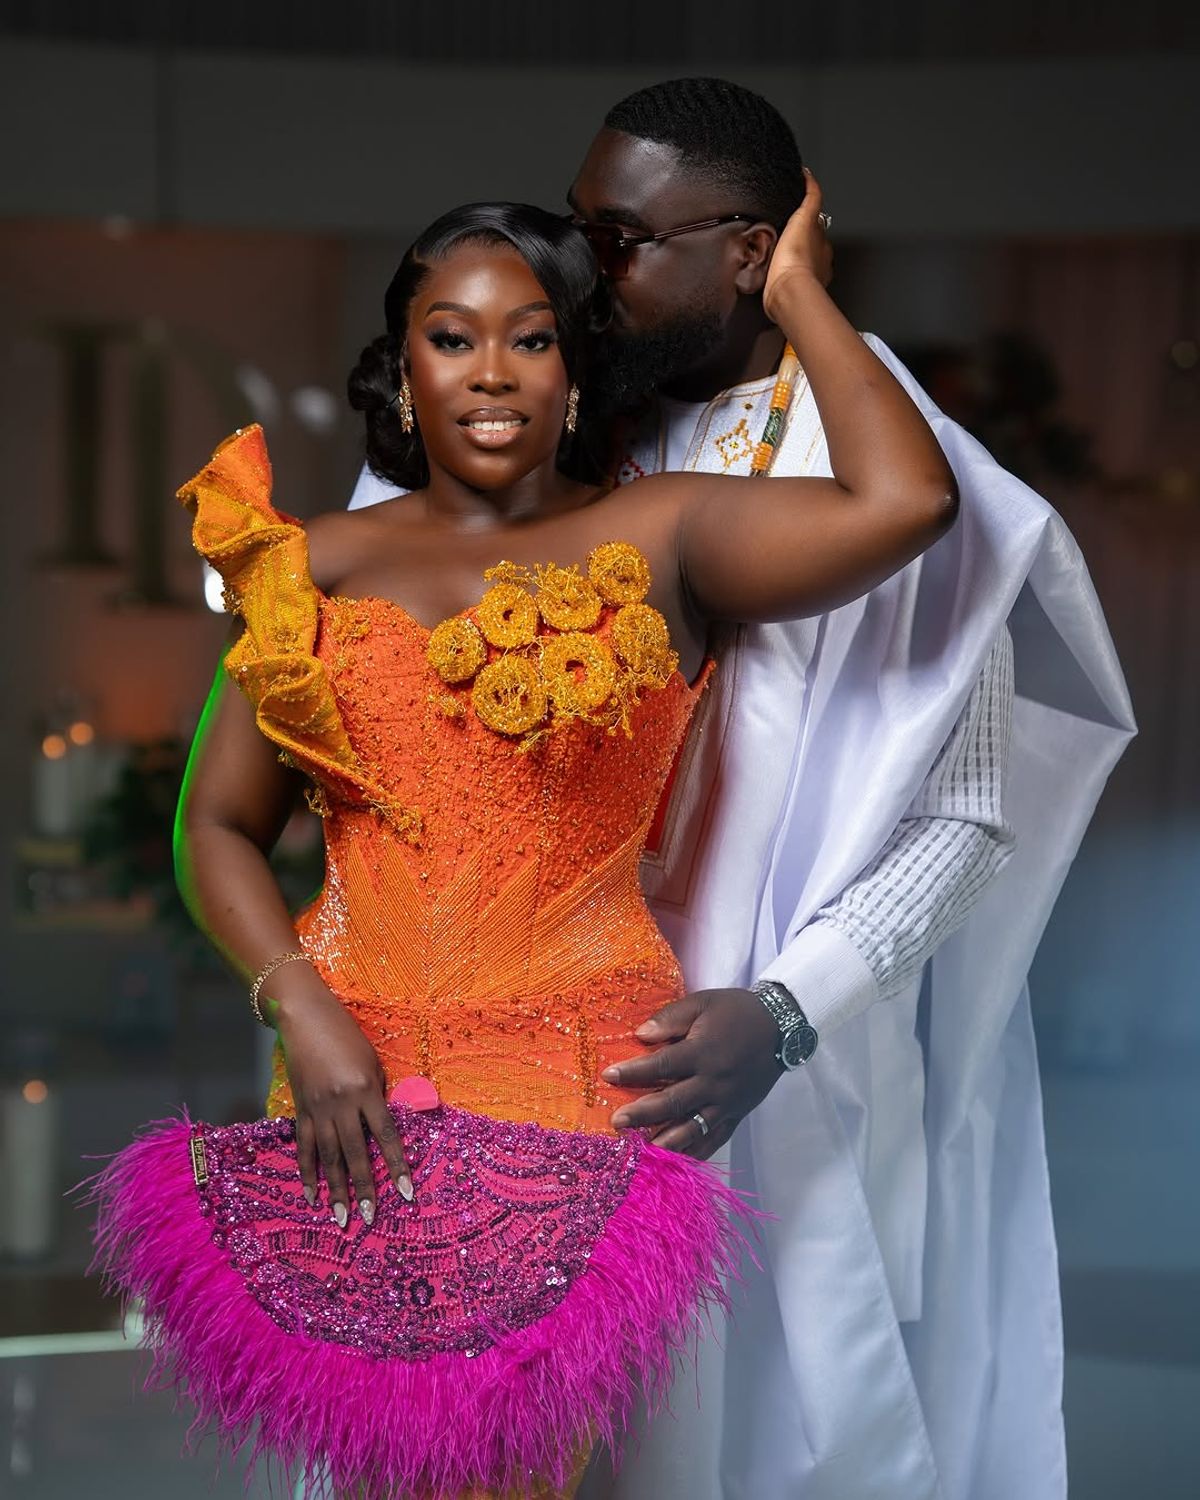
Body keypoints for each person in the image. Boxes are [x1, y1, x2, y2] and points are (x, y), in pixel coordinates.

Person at [345, 78, 1136, 1500]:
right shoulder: (542, 421)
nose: (580, 272)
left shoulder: (884, 461)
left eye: (620, 239)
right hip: (505, 1049)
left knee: (742, 1443)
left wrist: (783, 1015)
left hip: (754, 1059)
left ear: (751, 251)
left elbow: (964, 812)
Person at [172, 192, 955, 1500]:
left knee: (501, 1472)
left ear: (576, 373)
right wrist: (304, 1019)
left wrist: (800, 296)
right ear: (404, 368)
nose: (490, 373)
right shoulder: (308, 566)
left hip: (574, 1080)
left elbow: (906, 501)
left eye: (530, 340)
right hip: (340, 1082)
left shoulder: (667, 534)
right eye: (452, 337)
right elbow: (216, 826)